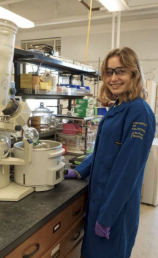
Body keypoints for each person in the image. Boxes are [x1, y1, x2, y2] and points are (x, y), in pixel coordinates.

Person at [65, 47, 156, 258]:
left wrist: (107, 217)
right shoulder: (117, 106)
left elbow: (128, 172)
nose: (113, 78)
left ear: (134, 74)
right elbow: (103, 152)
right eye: (109, 72)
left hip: (115, 209)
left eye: (120, 71)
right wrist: (80, 171)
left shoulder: (139, 112)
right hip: (99, 199)